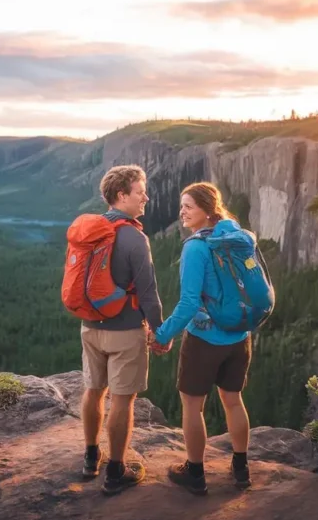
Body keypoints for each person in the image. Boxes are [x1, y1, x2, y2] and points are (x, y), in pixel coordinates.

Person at [153, 182, 253, 495]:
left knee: (192, 408)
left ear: (207, 211)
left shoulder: (196, 247)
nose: (181, 212)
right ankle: (240, 467)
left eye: (188, 206)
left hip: (204, 340)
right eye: (181, 205)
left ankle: (195, 473)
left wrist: (163, 334)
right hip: (239, 336)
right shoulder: (237, 236)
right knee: (233, 400)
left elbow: (189, 304)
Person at [78, 165, 163, 496]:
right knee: (122, 401)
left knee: (93, 390)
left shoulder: (90, 231)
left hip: (90, 328)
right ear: (121, 195)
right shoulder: (134, 237)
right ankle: (115, 471)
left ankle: (89, 457)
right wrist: (159, 330)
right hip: (126, 331)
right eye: (140, 191)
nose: (146, 197)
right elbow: (148, 292)